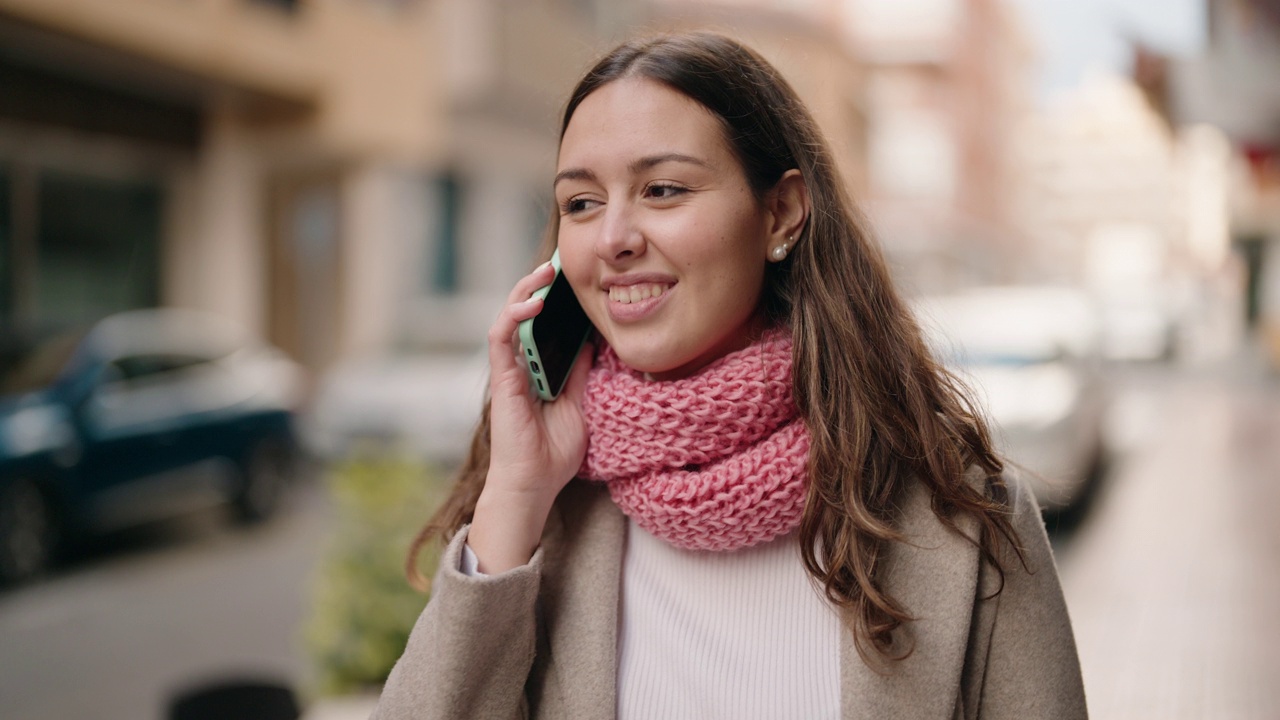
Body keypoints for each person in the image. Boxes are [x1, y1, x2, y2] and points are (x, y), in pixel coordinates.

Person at [372, 31, 1087, 720]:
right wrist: (516, 497)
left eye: (663, 190)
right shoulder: (543, 517)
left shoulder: (961, 519)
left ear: (780, 213)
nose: (614, 238)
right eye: (581, 203)